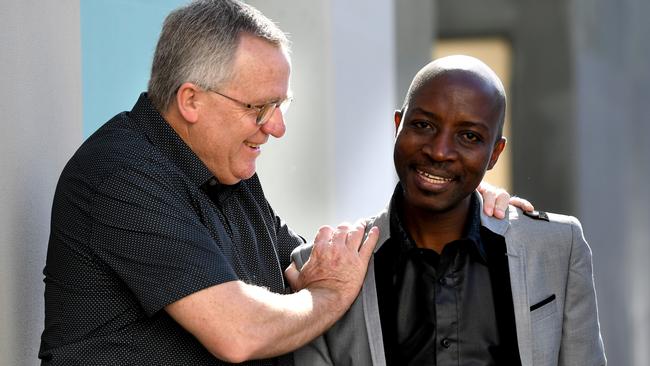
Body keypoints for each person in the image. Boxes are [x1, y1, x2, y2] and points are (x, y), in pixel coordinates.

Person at [39, 1, 529, 364]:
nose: (276, 128)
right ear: (191, 100)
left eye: (281, 106)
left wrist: (455, 204)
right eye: (259, 108)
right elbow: (240, 331)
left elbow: (312, 269)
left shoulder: (229, 173)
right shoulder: (120, 175)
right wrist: (327, 298)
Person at [290, 55, 606, 366]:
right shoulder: (321, 269)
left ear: (494, 154)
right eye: (423, 125)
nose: (439, 151)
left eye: (469, 136)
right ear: (398, 126)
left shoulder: (556, 247)